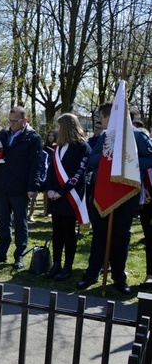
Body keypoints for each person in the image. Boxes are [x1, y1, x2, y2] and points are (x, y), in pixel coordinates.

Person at [77, 102, 152, 294]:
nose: (102, 122)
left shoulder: (138, 136)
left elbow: (149, 159)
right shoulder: (104, 136)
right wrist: (109, 160)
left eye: (103, 118)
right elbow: (92, 160)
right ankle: (92, 274)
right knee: (99, 235)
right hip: (103, 191)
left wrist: (126, 163)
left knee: (120, 236)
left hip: (126, 193)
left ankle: (119, 277)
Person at [0, 107, 43, 269]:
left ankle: (19, 255)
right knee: (3, 222)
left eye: (15, 121)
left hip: (20, 186)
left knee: (20, 222)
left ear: (24, 121)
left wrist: (33, 186)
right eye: (9, 121)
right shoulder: (3, 134)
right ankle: (1, 253)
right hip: (2, 184)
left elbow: (36, 164)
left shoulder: (32, 138)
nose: (11, 124)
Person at [44, 114, 91, 281]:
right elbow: (51, 171)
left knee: (69, 233)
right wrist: (49, 189)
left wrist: (61, 192)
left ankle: (67, 266)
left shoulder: (82, 147)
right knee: (57, 232)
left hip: (70, 196)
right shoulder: (58, 147)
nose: (57, 130)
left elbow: (79, 173)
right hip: (54, 196)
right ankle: (56, 264)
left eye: (59, 127)